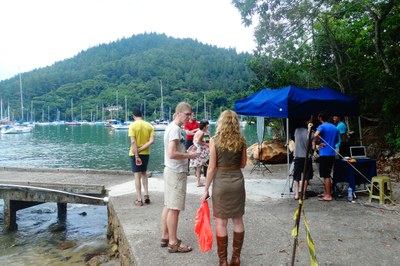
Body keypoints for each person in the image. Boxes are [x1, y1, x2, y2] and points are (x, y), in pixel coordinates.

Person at [201, 110, 247, 266]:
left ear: (221, 122)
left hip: (221, 183)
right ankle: (236, 257)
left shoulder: (215, 140)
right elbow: (243, 164)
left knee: (221, 223)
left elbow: (212, 167)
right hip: (237, 182)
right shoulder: (242, 140)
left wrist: (206, 189)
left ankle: (223, 261)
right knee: (238, 221)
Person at [160, 102, 197, 253]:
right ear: (178, 113)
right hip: (176, 172)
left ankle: (165, 237)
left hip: (170, 170)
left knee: (168, 205)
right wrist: (190, 155)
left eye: (190, 114)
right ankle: (173, 243)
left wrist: (186, 150)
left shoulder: (172, 127)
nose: (190, 117)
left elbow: (176, 150)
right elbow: (172, 154)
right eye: (187, 114)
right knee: (174, 208)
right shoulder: (175, 129)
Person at [128, 107, 155, 206]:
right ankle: (146, 195)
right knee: (144, 173)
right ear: (142, 115)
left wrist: (136, 154)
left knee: (137, 176)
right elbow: (151, 141)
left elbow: (133, 141)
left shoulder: (132, 125)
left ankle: (139, 199)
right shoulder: (149, 125)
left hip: (135, 154)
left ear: (133, 116)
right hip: (146, 153)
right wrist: (142, 149)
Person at [314, 111, 339, 202]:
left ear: (320, 118)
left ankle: (328, 195)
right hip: (332, 153)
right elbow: (336, 140)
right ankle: (326, 192)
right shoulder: (335, 127)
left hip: (325, 153)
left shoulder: (321, 126)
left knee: (326, 175)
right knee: (327, 174)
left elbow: (315, 135)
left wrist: (318, 143)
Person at [293, 119, 315, 200]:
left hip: (298, 156)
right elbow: (313, 147)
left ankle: (296, 194)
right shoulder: (312, 133)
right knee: (306, 177)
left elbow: (296, 142)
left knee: (296, 176)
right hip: (307, 157)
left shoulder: (296, 131)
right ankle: (303, 194)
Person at [189, 119, 210, 187]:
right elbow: (198, 141)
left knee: (199, 166)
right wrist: (206, 145)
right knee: (201, 166)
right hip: (201, 151)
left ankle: (199, 181)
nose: (208, 125)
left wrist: (208, 144)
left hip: (203, 151)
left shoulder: (205, 132)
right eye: (207, 124)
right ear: (204, 126)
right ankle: (199, 181)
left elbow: (207, 141)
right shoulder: (201, 132)